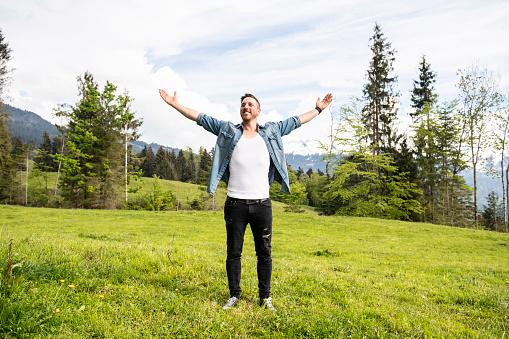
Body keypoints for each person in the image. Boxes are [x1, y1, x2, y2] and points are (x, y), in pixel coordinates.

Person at [159, 89, 333, 311]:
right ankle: (234, 295)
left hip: (262, 205)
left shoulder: (272, 131)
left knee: (265, 252)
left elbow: (296, 121)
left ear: (258, 111)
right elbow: (201, 118)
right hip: (235, 204)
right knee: (233, 252)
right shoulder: (228, 131)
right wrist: (175, 104)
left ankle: (265, 297)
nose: (246, 107)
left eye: (250, 104)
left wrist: (318, 109)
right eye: (243, 105)